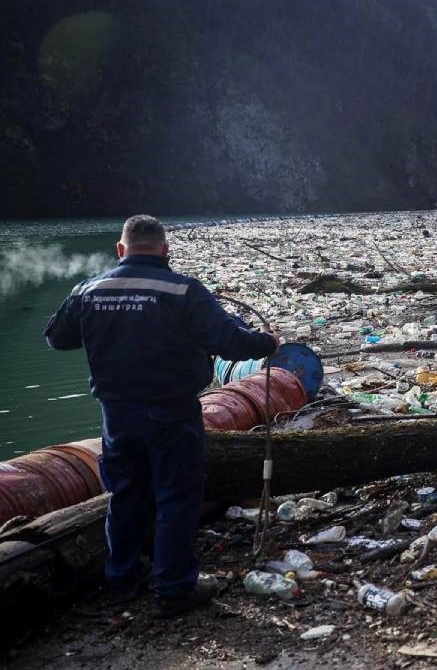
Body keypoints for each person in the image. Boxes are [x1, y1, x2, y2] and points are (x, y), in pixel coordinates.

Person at [45, 215, 277, 618]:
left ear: (121, 250)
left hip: (116, 415)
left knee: (125, 494)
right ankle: (173, 588)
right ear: (166, 251)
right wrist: (266, 342)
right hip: (172, 413)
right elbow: (229, 342)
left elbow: (57, 338)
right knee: (177, 496)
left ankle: (122, 579)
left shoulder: (89, 289)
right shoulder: (183, 290)